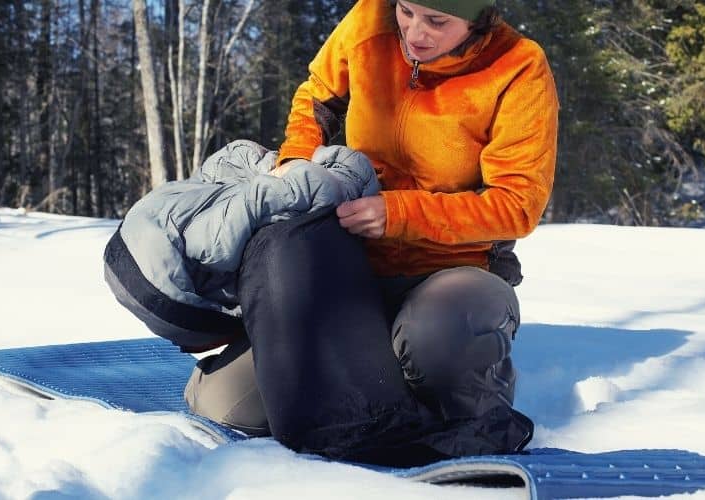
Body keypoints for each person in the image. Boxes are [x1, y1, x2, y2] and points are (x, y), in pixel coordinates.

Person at [184, 0, 558, 466]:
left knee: (435, 340)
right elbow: (315, 96)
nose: (415, 32)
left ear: (478, 16)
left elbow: (517, 204)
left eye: (437, 21)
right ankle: (382, 374)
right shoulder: (371, 18)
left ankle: (458, 392)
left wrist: (399, 213)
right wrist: (296, 165)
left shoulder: (518, 66)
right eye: (406, 11)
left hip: (452, 272)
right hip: (352, 270)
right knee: (224, 403)